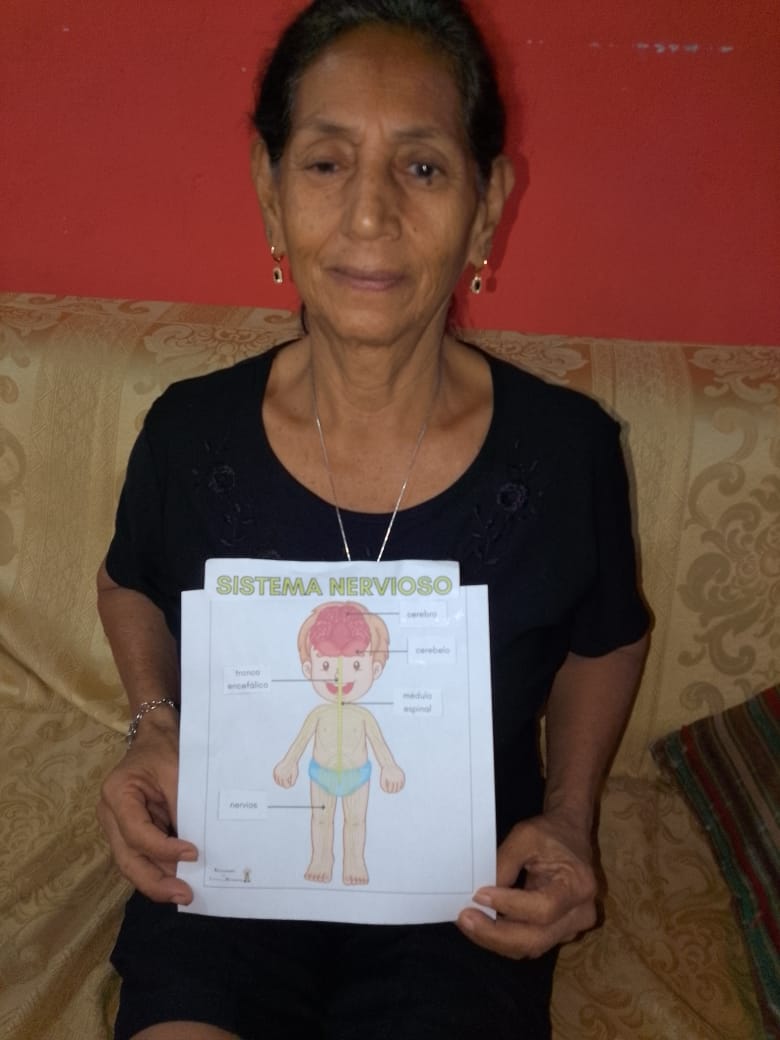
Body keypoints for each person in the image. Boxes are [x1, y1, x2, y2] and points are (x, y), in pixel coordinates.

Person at [96, 1, 650, 1037]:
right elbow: (128, 579)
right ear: (269, 190)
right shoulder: (189, 432)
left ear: (487, 206)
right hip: (224, 872)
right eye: (326, 163)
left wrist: (572, 817)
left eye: (423, 167)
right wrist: (153, 723)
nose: (368, 215)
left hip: (461, 904)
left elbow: (608, 636)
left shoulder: (566, 452)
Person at [274, 601, 404, 885]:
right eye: (326, 664)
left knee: (356, 821)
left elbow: (380, 746)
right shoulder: (317, 714)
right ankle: (320, 858)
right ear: (308, 668)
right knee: (320, 819)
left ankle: (355, 861)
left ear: (375, 669)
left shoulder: (365, 716)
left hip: (358, 776)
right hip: (321, 774)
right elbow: (300, 742)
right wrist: (288, 762)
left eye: (356, 664)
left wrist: (390, 767)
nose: (340, 675)